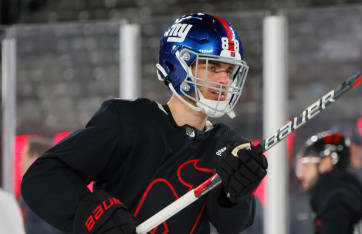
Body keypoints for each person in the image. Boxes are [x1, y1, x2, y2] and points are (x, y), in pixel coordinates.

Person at [21, 13, 267, 234]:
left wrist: (234, 195)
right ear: (178, 65)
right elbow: (43, 177)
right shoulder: (128, 121)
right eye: (212, 67)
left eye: (230, 71)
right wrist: (90, 213)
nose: (225, 80)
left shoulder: (228, 146)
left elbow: (232, 224)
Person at [19, 135, 64, 234]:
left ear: (34, 159)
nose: (20, 164)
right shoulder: (60, 190)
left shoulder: (36, 195)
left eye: (23, 158)